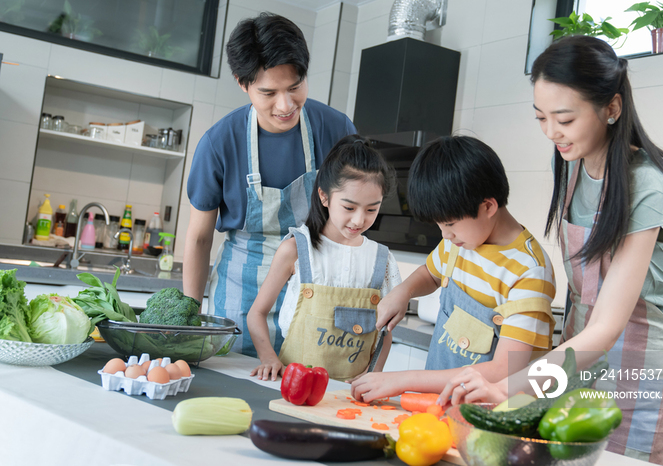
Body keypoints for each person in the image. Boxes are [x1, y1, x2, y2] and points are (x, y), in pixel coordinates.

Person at [439, 36, 663, 466]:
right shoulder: (573, 165)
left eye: (565, 118)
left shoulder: (647, 184)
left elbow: (608, 325)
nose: (551, 132)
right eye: (541, 117)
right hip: (576, 358)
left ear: (611, 108)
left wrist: (510, 386)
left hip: (637, 366)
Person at [184, 13, 356, 357]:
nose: (285, 105)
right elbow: (200, 237)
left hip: (315, 295)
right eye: (268, 92)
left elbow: (354, 224)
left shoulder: (338, 131)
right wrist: (189, 315)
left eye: (295, 87)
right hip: (239, 297)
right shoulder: (219, 142)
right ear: (242, 83)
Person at [350, 136, 556, 401]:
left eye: (449, 224)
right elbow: (431, 274)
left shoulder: (528, 271)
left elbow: (504, 369)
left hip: (493, 417)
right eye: (439, 226)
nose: (445, 235)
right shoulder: (460, 242)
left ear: (488, 206)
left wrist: (404, 379)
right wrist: (403, 292)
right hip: (445, 402)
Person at [247, 135, 402, 381]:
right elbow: (256, 313)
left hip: (350, 392)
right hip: (294, 384)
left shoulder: (382, 260)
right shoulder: (297, 249)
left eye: (372, 209)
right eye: (349, 207)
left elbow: (386, 332)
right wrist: (268, 357)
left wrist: (373, 375)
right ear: (324, 196)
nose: (359, 220)